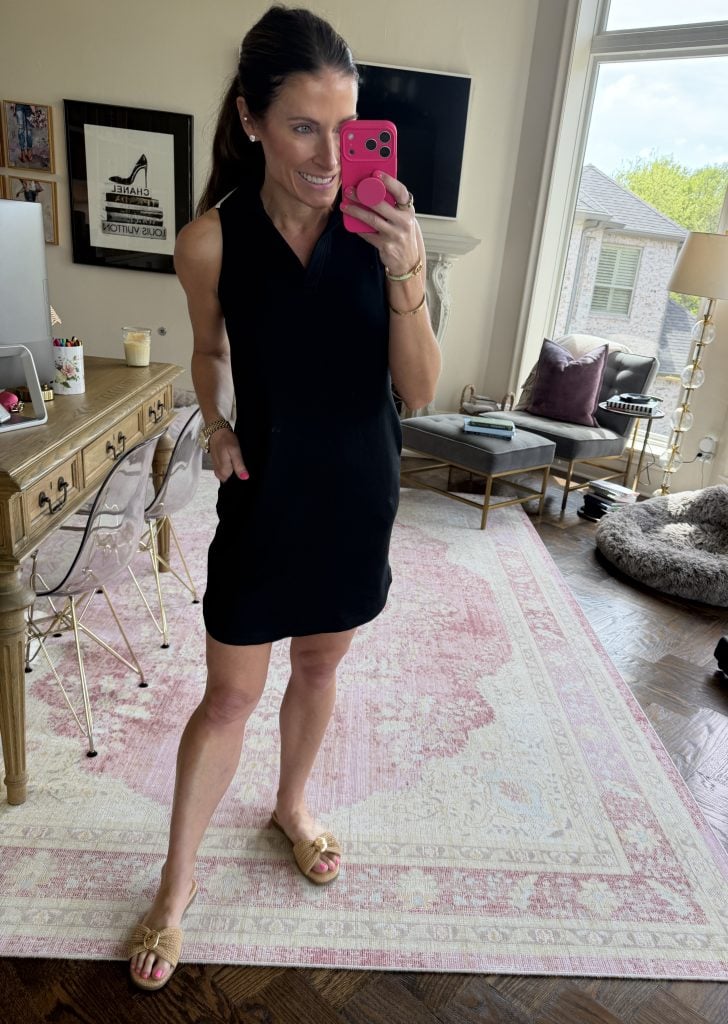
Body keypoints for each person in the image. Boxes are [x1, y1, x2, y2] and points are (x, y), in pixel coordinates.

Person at [128, 3, 441, 991]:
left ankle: (291, 805)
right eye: (303, 126)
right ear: (250, 119)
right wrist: (215, 423)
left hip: (357, 494)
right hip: (262, 495)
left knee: (318, 663)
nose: (328, 155)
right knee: (228, 694)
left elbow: (420, 390)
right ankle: (175, 884)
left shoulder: (385, 229)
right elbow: (207, 348)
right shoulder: (208, 242)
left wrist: (407, 271)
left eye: (345, 127)